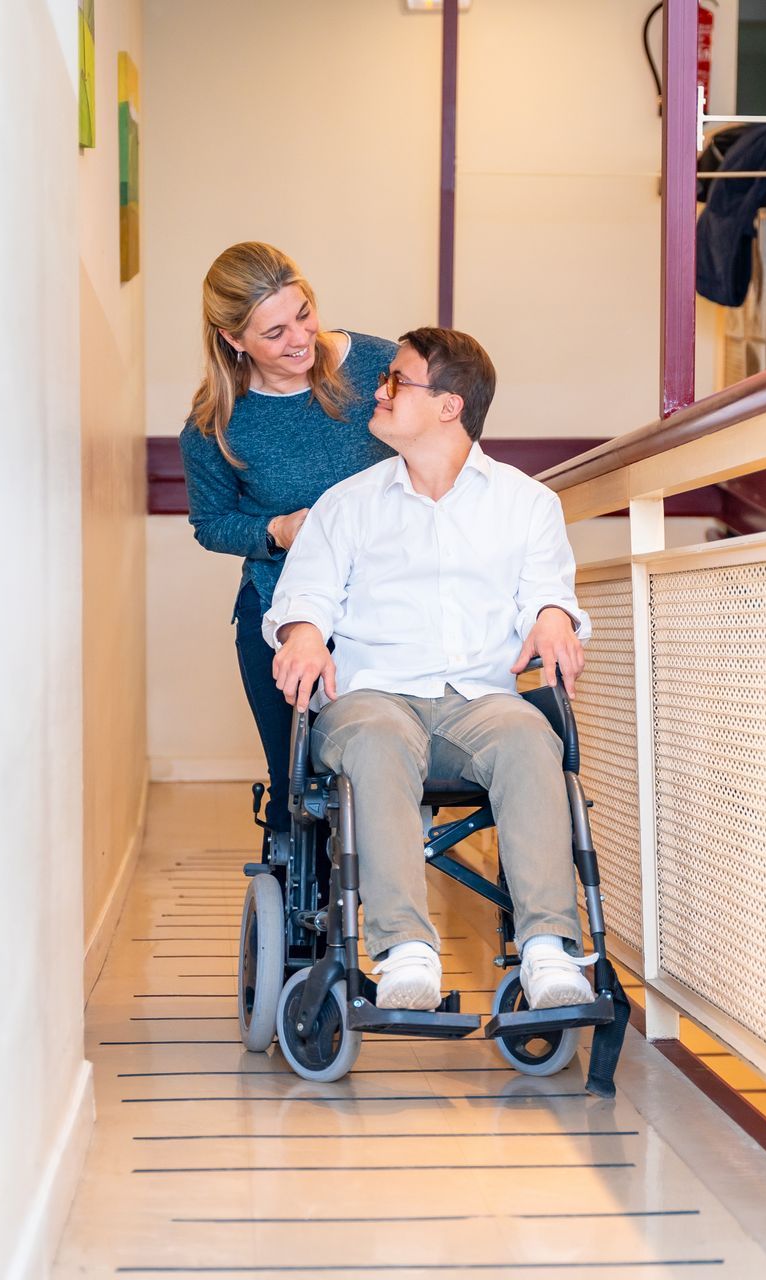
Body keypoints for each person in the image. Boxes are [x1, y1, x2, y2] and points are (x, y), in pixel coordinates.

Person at [263, 327, 595, 1011]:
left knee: (532, 737)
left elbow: (548, 592)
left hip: (479, 700)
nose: (377, 393)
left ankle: (546, 952)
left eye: (396, 382)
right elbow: (308, 596)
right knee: (377, 740)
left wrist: (554, 618)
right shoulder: (347, 505)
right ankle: (405, 949)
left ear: (450, 406)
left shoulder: (527, 504)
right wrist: (302, 635)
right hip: (372, 699)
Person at [180, 243, 397, 837]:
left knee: (381, 770)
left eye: (305, 314)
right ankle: (302, 919)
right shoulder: (217, 424)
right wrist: (275, 531)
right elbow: (212, 524)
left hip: (388, 605)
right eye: (275, 332)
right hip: (280, 606)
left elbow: (446, 436)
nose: (301, 339)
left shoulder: (381, 366)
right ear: (233, 338)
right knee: (298, 785)